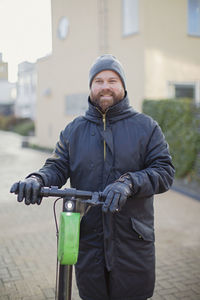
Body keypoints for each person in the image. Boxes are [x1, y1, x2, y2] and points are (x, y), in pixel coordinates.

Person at [10, 54, 175, 300]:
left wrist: (128, 182)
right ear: (91, 87)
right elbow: (56, 166)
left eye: (112, 80)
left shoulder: (146, 127)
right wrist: (37, 179)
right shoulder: (73, 130)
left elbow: (164, 171)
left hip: (132, 242)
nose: (105, 86)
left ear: (123, 86)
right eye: (98, 80)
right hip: (89, 242)